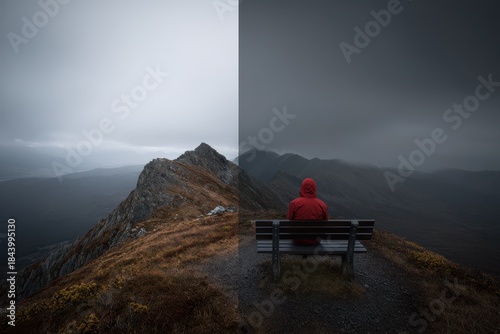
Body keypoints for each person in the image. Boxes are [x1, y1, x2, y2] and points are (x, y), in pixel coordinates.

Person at [287, 178, 328, 245]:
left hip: (298, 240)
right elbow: (325, 222)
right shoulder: (322, 204)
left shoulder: (294, 203)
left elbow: (289, 220)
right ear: (314, 189)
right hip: (315, 240)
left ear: (302, 188)